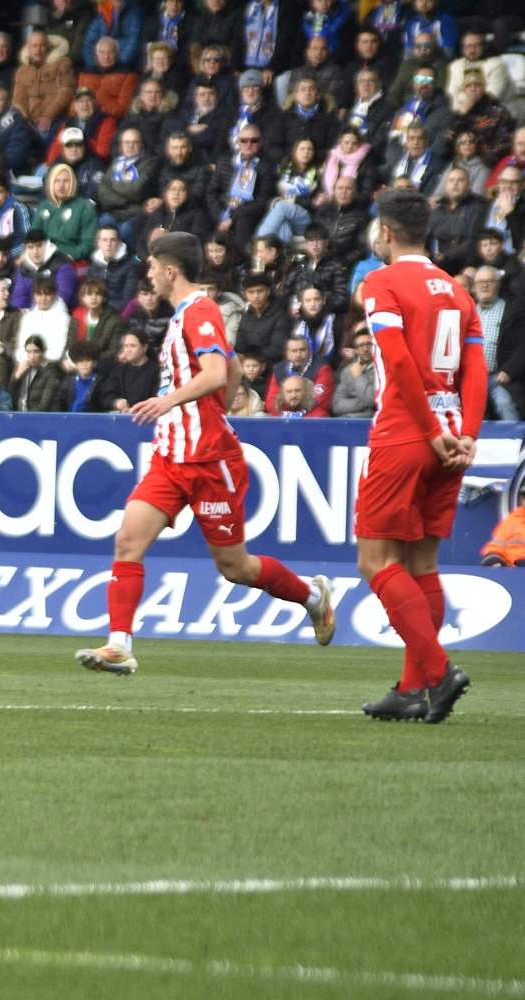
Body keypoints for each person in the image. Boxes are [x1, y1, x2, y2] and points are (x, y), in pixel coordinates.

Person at [75, 231, 335, 677]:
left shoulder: (200, 310)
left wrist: (172, 402)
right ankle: (119, 644)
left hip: (210, 462)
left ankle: (313, 596)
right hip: (171, 456)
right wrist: (205, 409)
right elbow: (231, 368)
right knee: (128, 540)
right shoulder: (185, 314)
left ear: (171, 270)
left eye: (154, 266)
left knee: (235, 566)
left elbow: (216, 372)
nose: (150, 274)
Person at [352, 189, 486, 723]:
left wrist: (430, 431)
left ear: (385, 233)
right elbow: (475, 368)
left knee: (375, 560)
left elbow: (399, 361)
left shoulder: (380, 282)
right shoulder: (457, 291)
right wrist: (466, 433)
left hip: (408, 433)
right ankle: (412, 689)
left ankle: (437, 670)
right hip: (453, 436)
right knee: (421, 563)